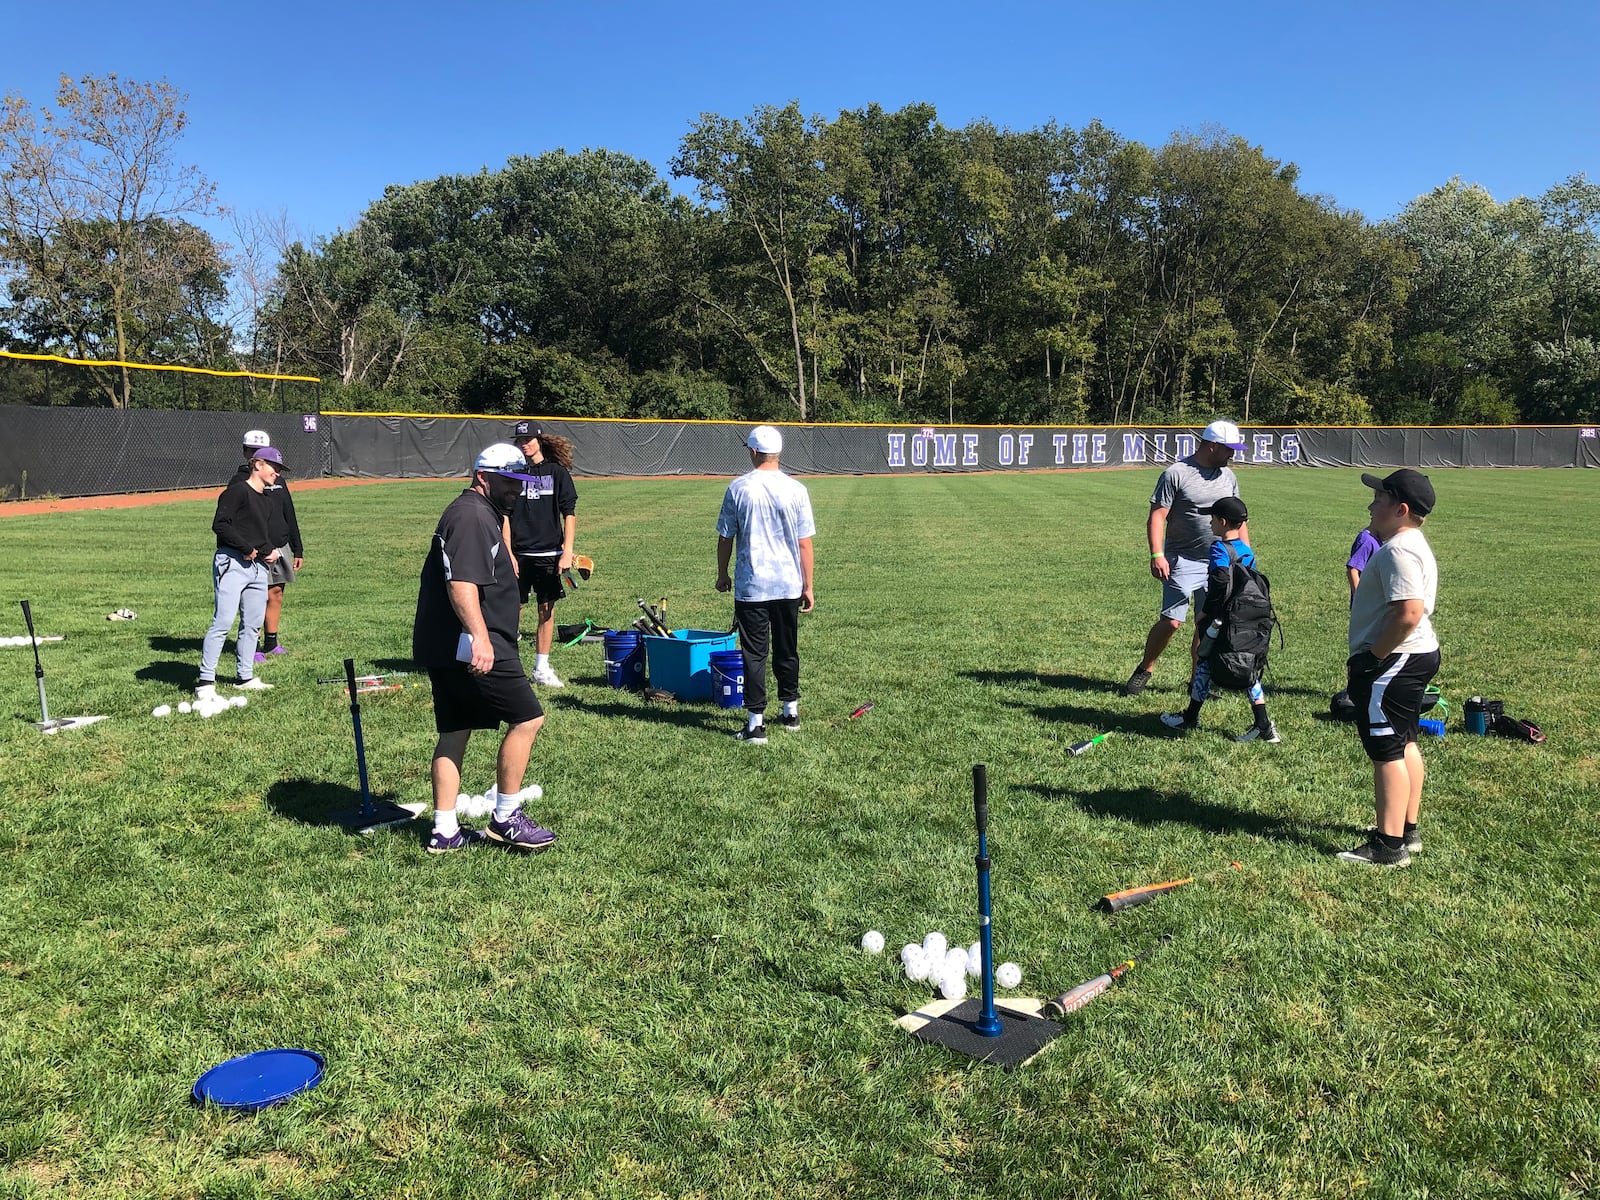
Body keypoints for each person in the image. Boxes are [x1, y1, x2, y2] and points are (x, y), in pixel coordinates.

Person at [413, 443, 558, 854]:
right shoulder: (473, 516)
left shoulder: (478, 513)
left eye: (520, 481)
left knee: (455, 731)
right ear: (483, 478)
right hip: (477, 643)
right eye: (509, 482)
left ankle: (445, 831)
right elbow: (460, 584)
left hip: (447, 644)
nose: (517, 490)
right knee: (529, 718)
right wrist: (479, 636)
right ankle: (506, 818)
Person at [1338, 469, 1440, 868]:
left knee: (1385, 749)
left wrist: (1372, 657)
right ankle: (1406, 830)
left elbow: (1409, 613)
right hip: (1413, 656)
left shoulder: (1398, 550)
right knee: (1405, 741)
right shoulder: (1409, 543)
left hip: (1396, 660)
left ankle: (1388, 844)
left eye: (1378, 499)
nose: (1370, 505)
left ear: (1400, 509)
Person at [1125, 419, 1249, 696]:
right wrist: (1157, 554)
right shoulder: (1176, 473)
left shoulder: (1228, 477)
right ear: (1213, 445)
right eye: (1229, 449)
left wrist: (1245, 556)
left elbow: (1239, 519)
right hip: (1181, 559)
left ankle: (1198, 680)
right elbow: (1157, 517)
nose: (1233, 454)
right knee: (1172, 620)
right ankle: (1146, 667)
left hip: (1219, 561)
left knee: (1208, 623)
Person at [715, 425, 816, 744]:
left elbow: (725, 536)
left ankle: (756, 724)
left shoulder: (738, 488)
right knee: (788, 650)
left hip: (752, 586)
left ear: (754, 451)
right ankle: (790, 711)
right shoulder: (797, 489)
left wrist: (722, 574)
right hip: (787, 584)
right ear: (778, 453)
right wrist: (808, 585)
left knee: (754, 653)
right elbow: (805, 543)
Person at [1158, 497, 1280, 742]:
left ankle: (1190, 718)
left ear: (1223, 522)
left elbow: (1221, 580)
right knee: (1248, 669)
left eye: (1212, 519)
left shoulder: (1218, 548)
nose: (1210, 523)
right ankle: (1264, 725)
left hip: (1222, 619)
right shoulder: (1247, 550)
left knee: (1204, 661)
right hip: (1246, 618)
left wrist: (1207, 612)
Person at [198, 448, 286, 698]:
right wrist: (246, 548)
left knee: (252, 625)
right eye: (274, 467)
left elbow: (259, 536)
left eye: (279, 469)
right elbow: (220, 525)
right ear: (257, 464)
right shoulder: (237, 491)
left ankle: (244, 676)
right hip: (232, 563)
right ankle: (206, 681)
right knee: (223, 622)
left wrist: (269, 551)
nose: (277, 473)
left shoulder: (267, 500)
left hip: (257, 567)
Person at [506, 420, 577, 688]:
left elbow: (568, 512)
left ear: (539, 440)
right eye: (520, 441)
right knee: (512, 609)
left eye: (528, 440)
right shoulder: (512, 472)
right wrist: (507, 551)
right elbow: (504, 514)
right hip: (518, 553)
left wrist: (567, 551)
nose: (524, 444)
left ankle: (541, 667)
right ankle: (509, 667)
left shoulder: (556, 472)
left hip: (549, 552)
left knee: (546, 609)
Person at [233, 430, 305, 663]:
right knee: (255, 597)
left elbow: (289, 514)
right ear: (245, 453)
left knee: (275, 593)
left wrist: (297, 547)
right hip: (255, 549)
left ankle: (271, 643)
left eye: (260, 451)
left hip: (280, 545)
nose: (255, 455)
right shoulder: (238, 482)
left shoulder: (279, 481)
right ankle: (251, 645)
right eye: (251, 451)